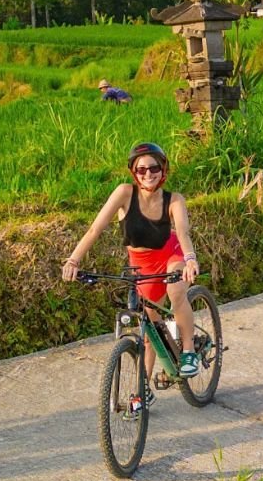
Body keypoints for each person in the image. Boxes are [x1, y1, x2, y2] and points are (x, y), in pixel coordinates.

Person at [61, 142, 201, 386]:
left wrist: (190, 260)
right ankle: (142, 388)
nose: (148, 174)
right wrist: (73, 260)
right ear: (133, 172)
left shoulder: (174, 200)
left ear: (163, 169)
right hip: (141, 264)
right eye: (141, 169)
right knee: (149, 328)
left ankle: (188, 349)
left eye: (154, 168)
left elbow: (183, 233)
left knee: (176, 290)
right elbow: (95, 229)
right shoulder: (124, 193)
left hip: (171, 254)